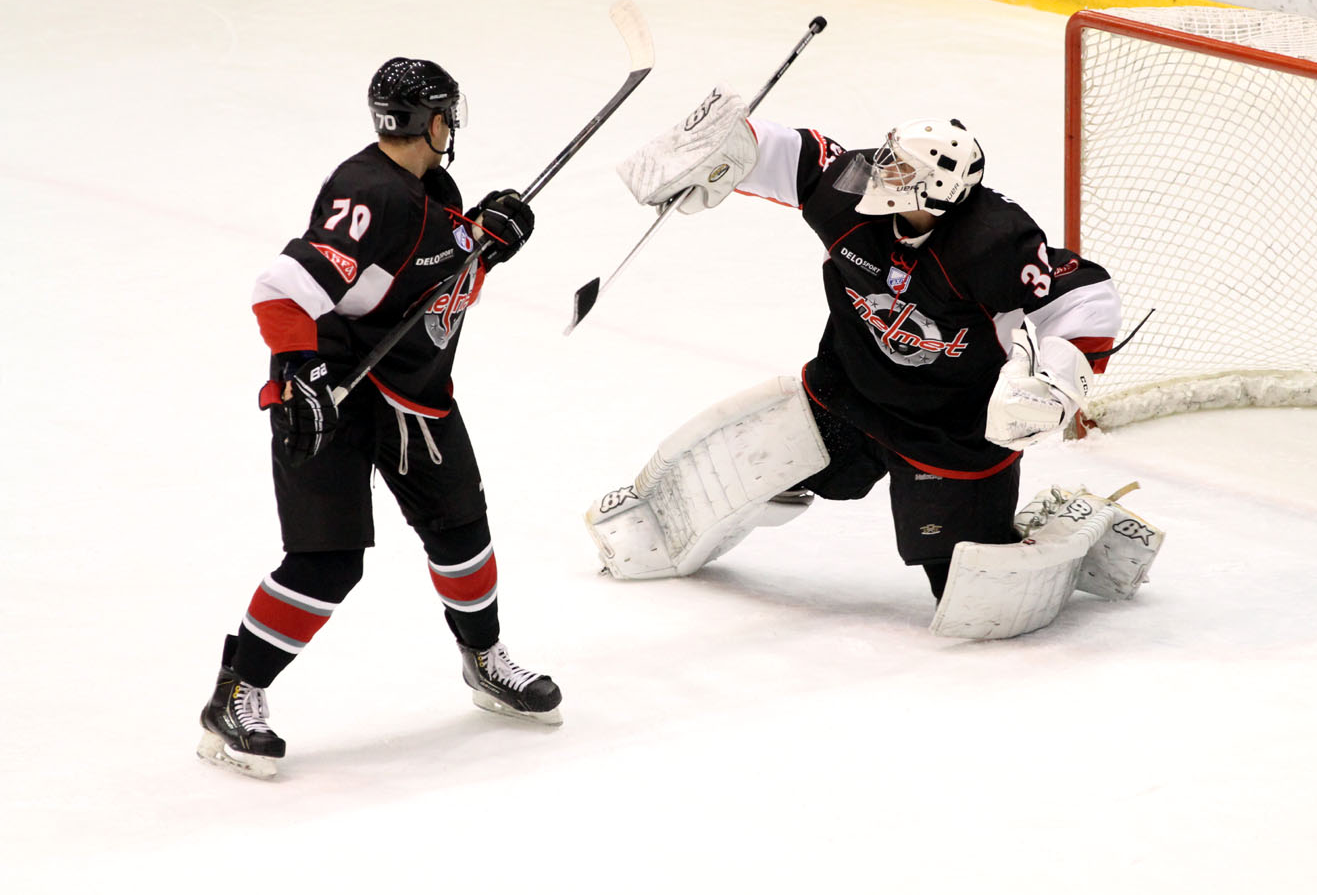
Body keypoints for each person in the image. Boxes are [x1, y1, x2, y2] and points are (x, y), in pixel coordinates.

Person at [584, 88, 1160, 636]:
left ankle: (1083, 528)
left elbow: (1086, 294)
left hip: (950, 434)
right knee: (748, 471)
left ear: (936, 191)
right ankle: (659, 522)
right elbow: (793, 155)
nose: (879, 170)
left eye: (900, 170)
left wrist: (1055, 379)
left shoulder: (992, 243)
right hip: (848, 392)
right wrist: (714, 146)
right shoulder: (851, 193)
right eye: (888, 157)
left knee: (984, 602)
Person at [197, 58, 559, 779]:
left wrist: (486, 244)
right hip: (330, 396)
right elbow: (280, 291)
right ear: (432, 120)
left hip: (412, 395)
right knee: (327, 561)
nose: (450, 126)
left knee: (460, 528)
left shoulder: (433, 190)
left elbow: (428, 293)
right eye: (447, 114)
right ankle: (237, 695)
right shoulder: (368, 193)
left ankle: (484, 659)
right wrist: (304, 373)